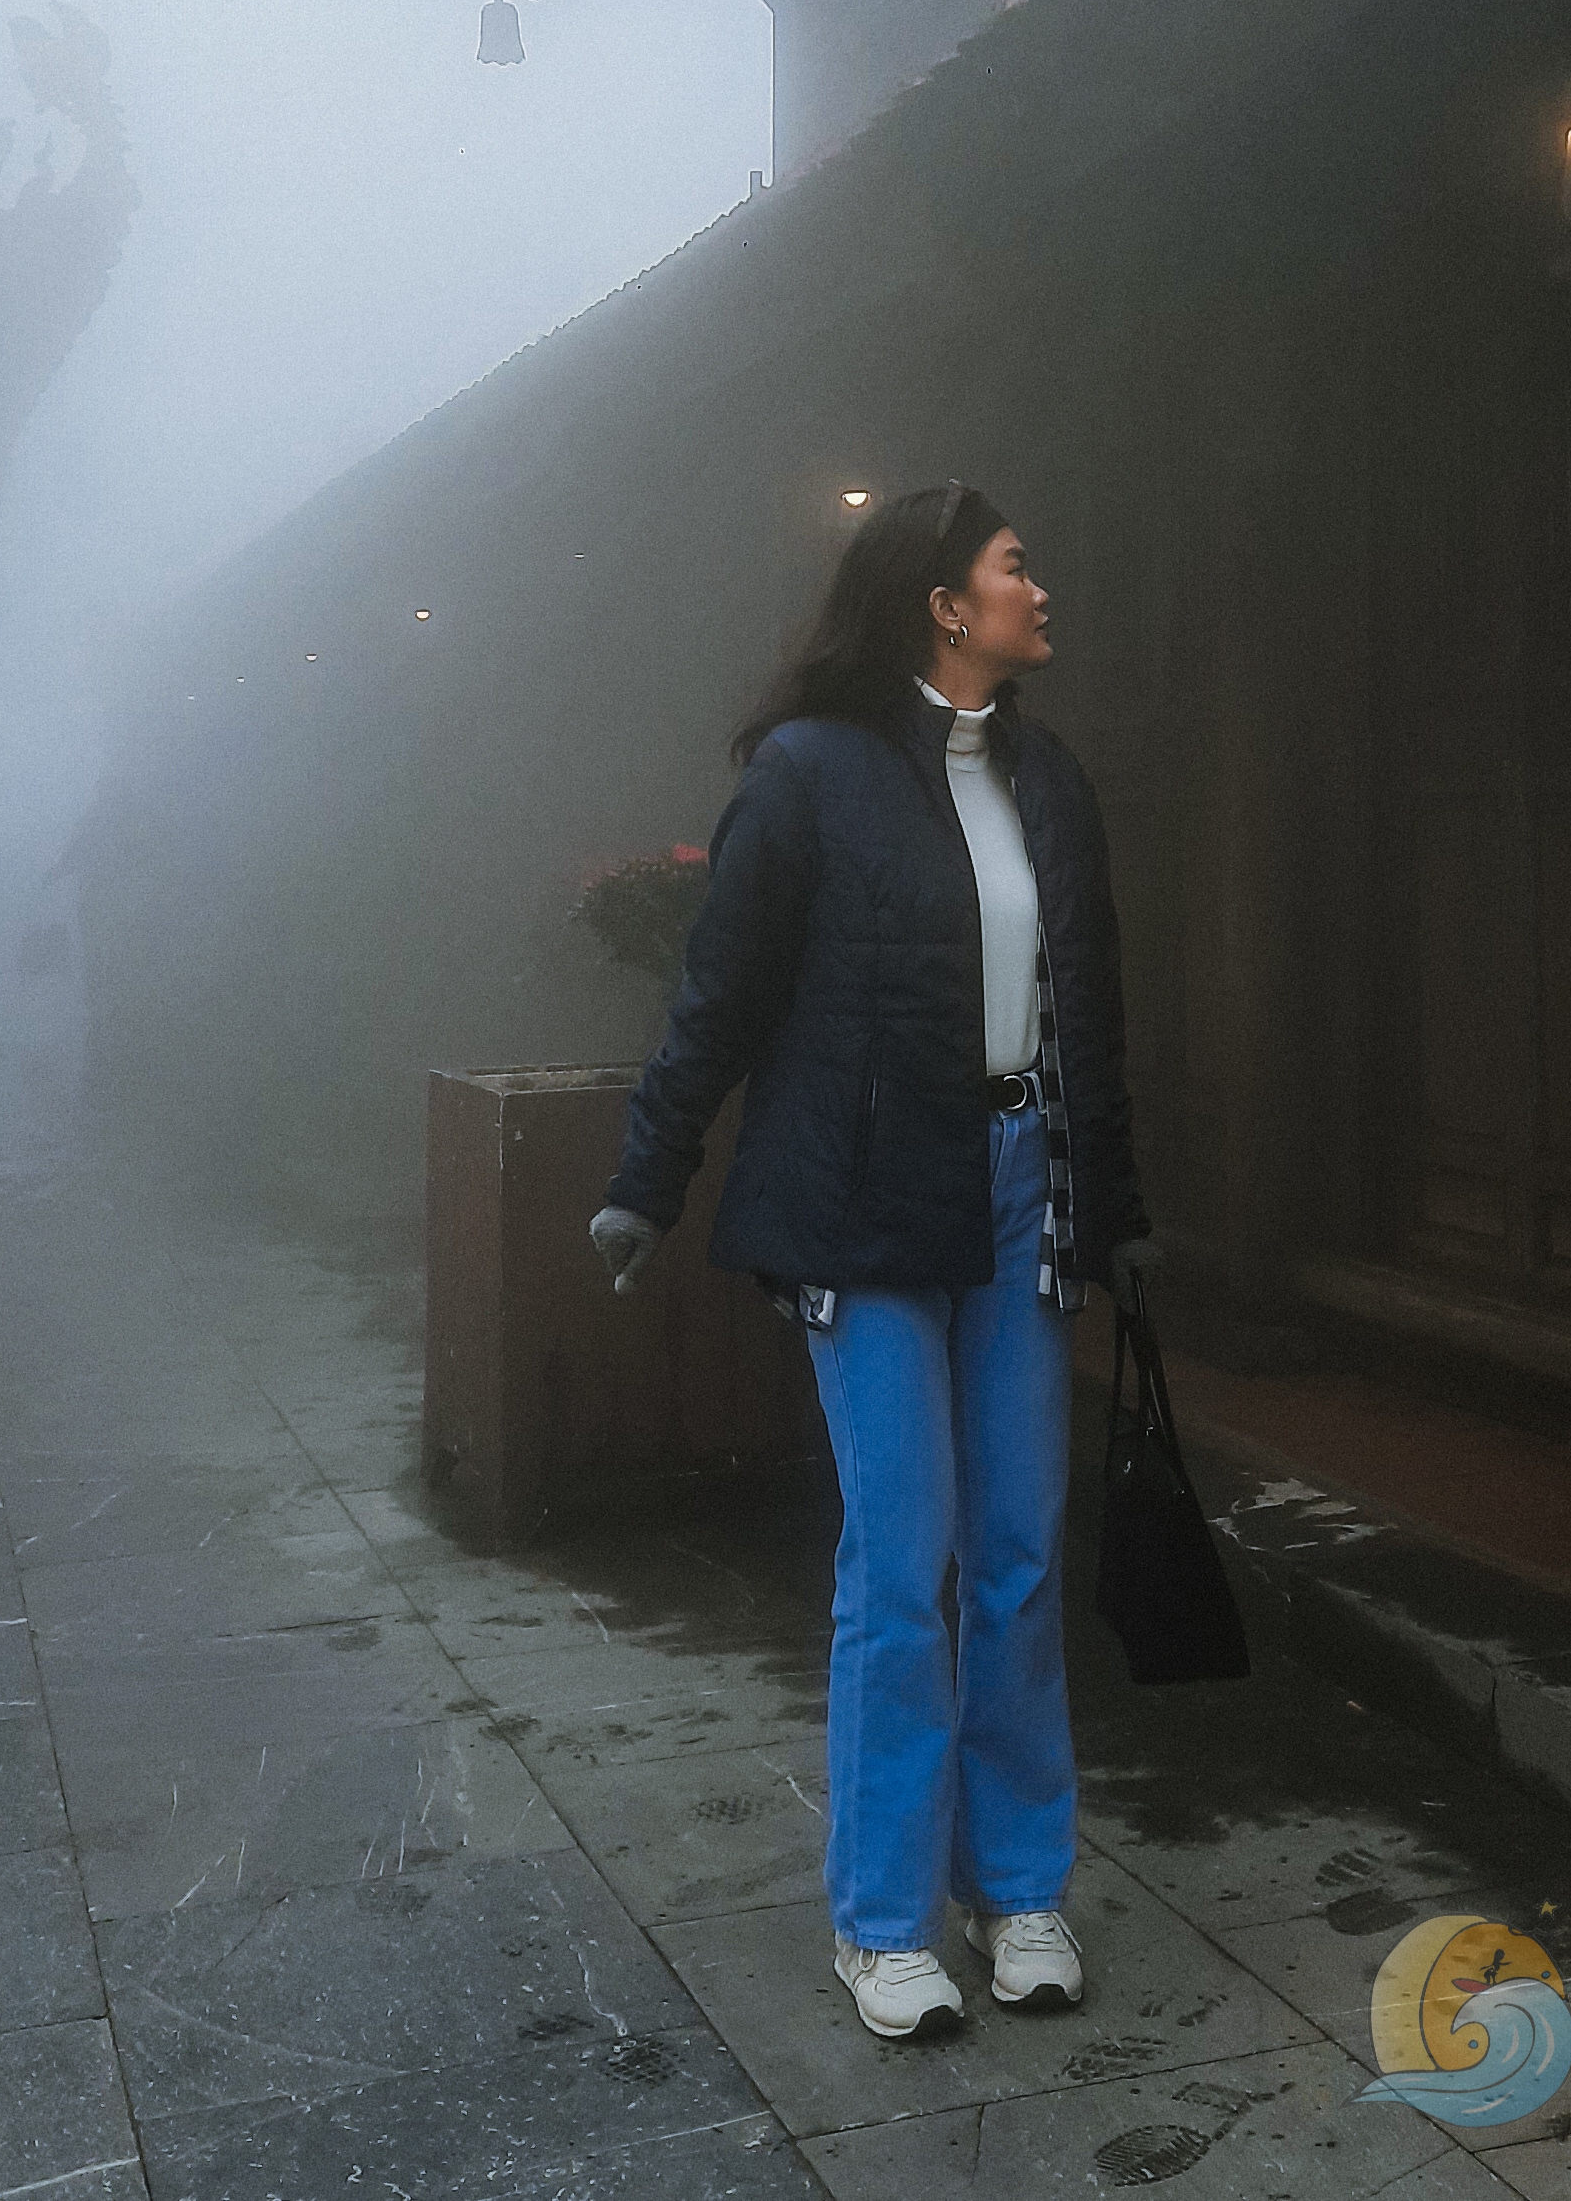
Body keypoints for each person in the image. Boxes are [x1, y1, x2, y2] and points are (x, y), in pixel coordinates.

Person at [588, 479, 1158, 2040]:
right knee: (903, 1562)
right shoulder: (809, 774)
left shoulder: (1050, 781)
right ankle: (886, 1922)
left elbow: (1085, 1014)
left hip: (1013, 1184)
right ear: (938, 600)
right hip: (861, 1193)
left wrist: (1102, 1201)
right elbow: (721, 991)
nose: (1039, 590)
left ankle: (1020, 1889)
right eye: (1013, 566)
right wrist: (649, 1176)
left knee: (1023, 1559)